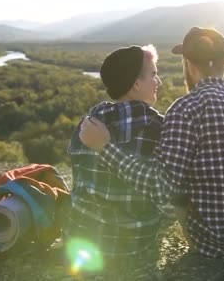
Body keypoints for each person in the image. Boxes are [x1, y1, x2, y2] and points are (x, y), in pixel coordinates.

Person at [79, 27, 224, 259]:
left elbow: (161, 188)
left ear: (188, 64)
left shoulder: (186, 109)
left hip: (220, 245)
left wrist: (106, 149)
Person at [66, 45, 165, 271]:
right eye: (153, 74)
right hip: (132, 247)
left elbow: (78, 177)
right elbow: (163, 192)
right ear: (135, 83)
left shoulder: (88, 122)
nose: (158, 81)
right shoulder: (156, 125)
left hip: (82, 242)